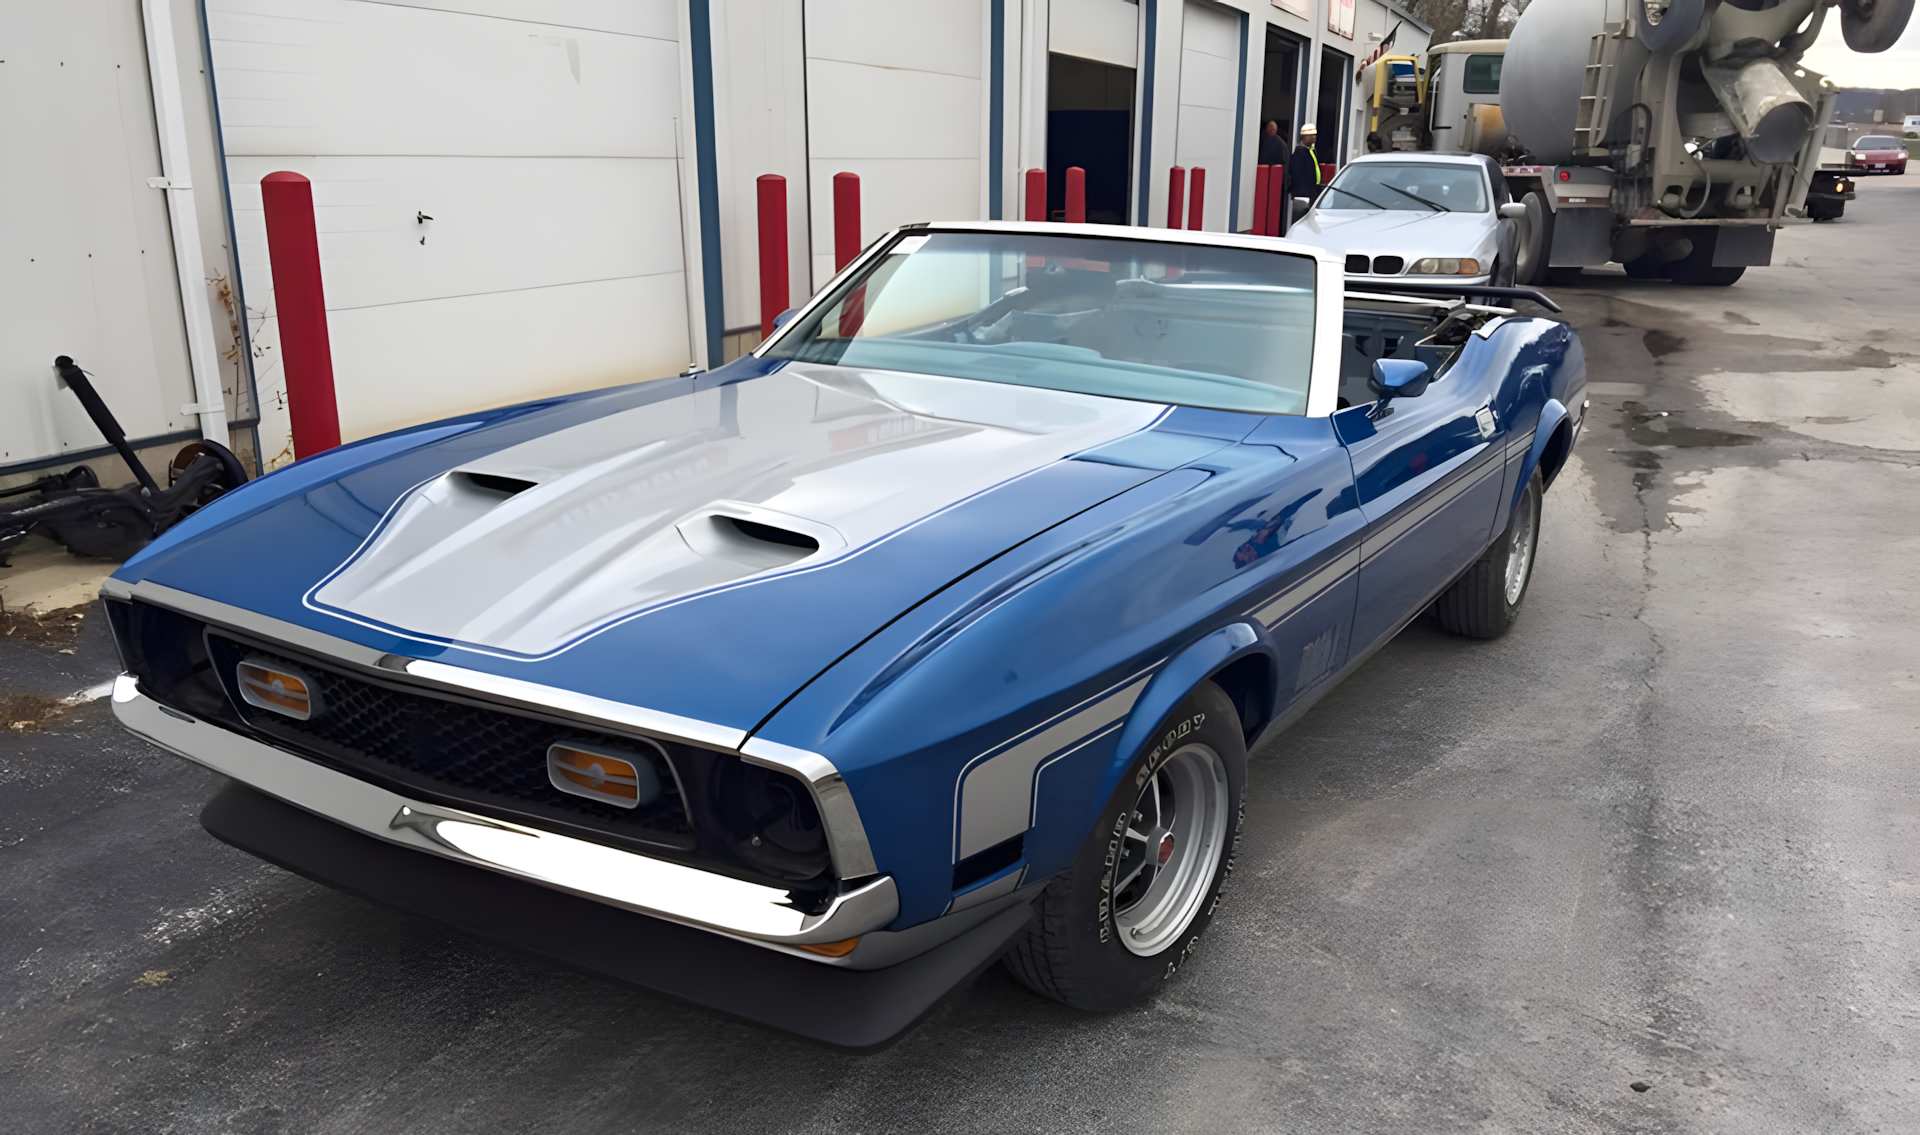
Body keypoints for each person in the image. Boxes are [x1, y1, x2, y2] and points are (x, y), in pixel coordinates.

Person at [1290, 124, 1325, 205]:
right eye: (1311, 135)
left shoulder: (1312, 151)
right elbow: (1296, 175)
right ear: (1304, 137)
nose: (1314, 137)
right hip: (1304, 194)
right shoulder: (1299, 154)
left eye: (1314, 135)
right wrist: (1302, 193)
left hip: (1313, 192)